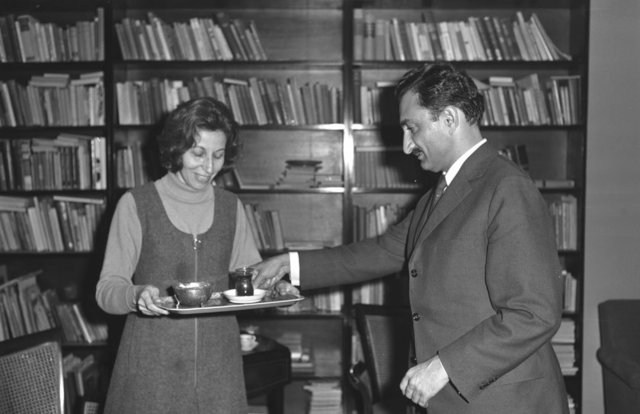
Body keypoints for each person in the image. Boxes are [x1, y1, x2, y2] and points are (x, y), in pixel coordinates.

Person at [252, 63, 569, 414]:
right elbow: (381, 252)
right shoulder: (443, 192)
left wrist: (443, 367)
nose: (406, 146)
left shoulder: (507, 188)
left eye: (412, 128)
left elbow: (534, 313)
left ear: (449, 119)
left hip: (503, 402)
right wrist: (289, 263)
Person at [95, 97, 262, 413]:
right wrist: (136, 295)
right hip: (152, 371)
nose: (209, 167)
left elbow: (251, 277)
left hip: (219, 370)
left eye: (218, 155)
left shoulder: (231, 207)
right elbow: (106, 291)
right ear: (176, 150)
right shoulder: (136, 204)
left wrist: (275, 285)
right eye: (198, 154)